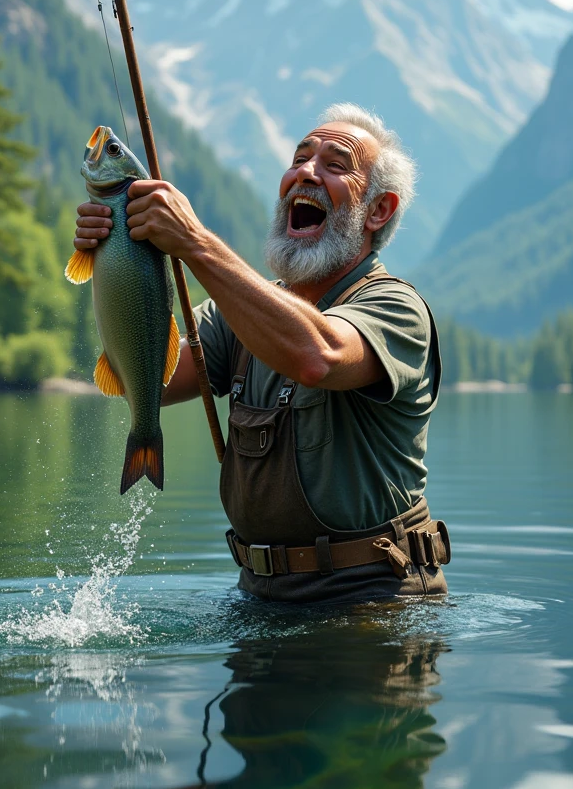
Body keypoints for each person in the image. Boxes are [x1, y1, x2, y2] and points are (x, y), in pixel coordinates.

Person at [74, 102, 450, 603]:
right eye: (298, 159)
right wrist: (112, 260)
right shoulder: (242, 313)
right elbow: (153, 384)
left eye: (335, 165)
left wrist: (196, 244)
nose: (304, 174)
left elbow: (317, 355)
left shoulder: (397, 309)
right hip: (260, 599)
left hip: (373, 605)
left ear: (378, 209)